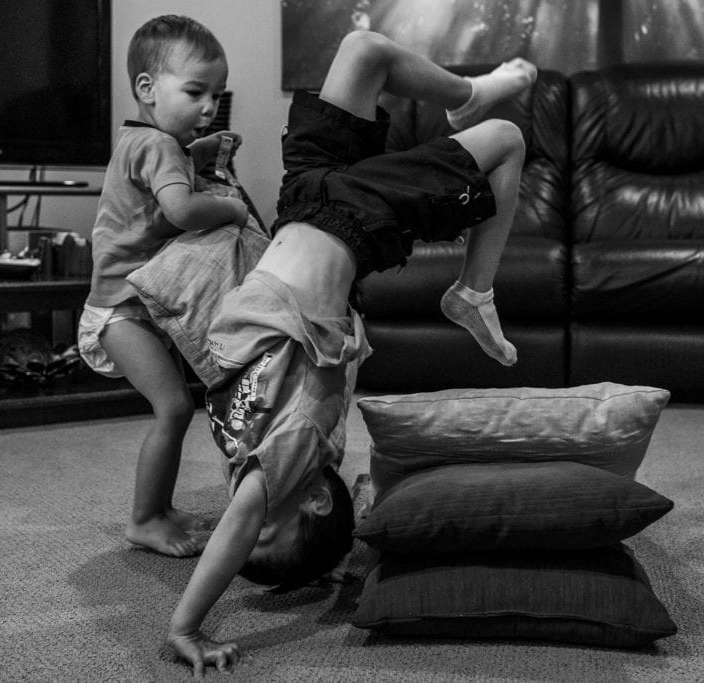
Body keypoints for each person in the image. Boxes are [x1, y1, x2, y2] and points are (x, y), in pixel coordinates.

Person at [164, 30, 536, 675]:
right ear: (310, 501)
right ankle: (473, 291)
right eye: (258, 530)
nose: (240, 512)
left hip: (302, 203)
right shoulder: (299, 446)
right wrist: (186, 625)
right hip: (350, 221)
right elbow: (246, 524)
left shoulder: (247, 445)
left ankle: (464, 96)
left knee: (364, 50)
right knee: (505, 142)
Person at [77, 15, 250, 558]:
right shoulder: (159, 148)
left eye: (215, 96)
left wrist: (194, 155)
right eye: (195, 91)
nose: (208, 107)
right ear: (147, 88)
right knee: (174, 409)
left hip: (137, 305)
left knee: (178, 408)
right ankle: (145, 519)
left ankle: (161, 507)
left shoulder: (141, 139)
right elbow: (178, 209)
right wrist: (231, 208)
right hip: (117, 312)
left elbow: (157, 190)